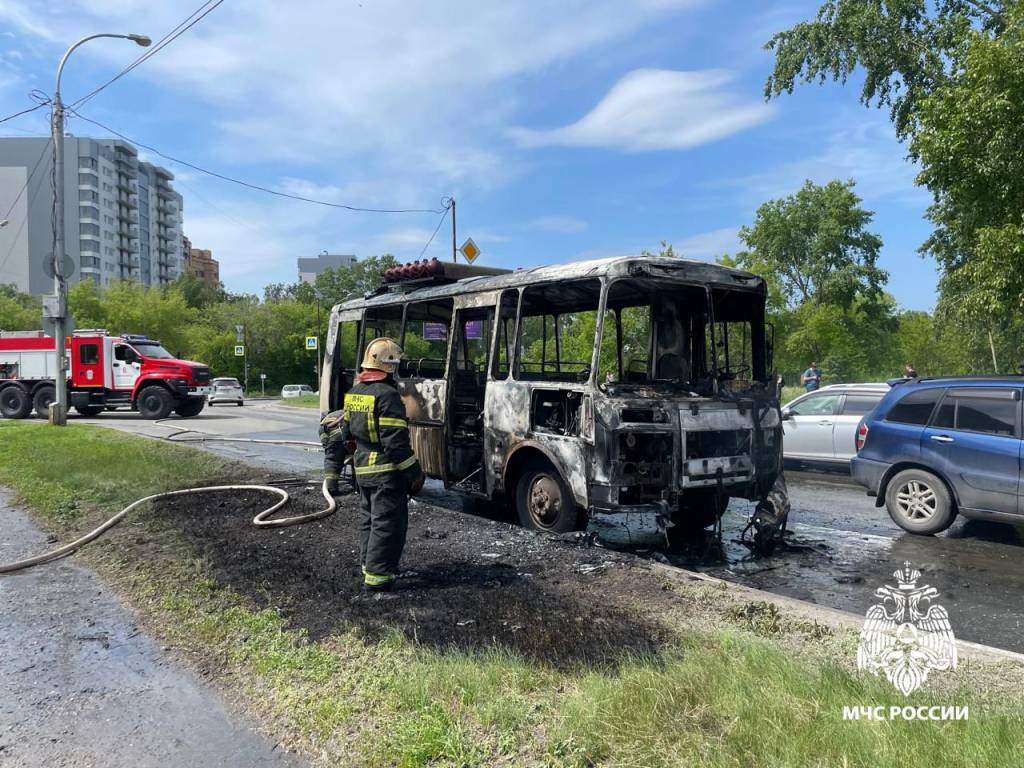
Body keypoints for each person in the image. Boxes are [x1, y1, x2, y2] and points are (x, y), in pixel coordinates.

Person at [320, 337, 425, 592]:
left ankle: (369, 566)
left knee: (369, 519)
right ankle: (379, 577)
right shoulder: (387, 396)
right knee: (387, 523)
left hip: (362, 469)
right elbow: (396, 444)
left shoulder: (354, 393)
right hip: (386, 473)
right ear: (389, 365)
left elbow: (346, 434)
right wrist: (414, 474)